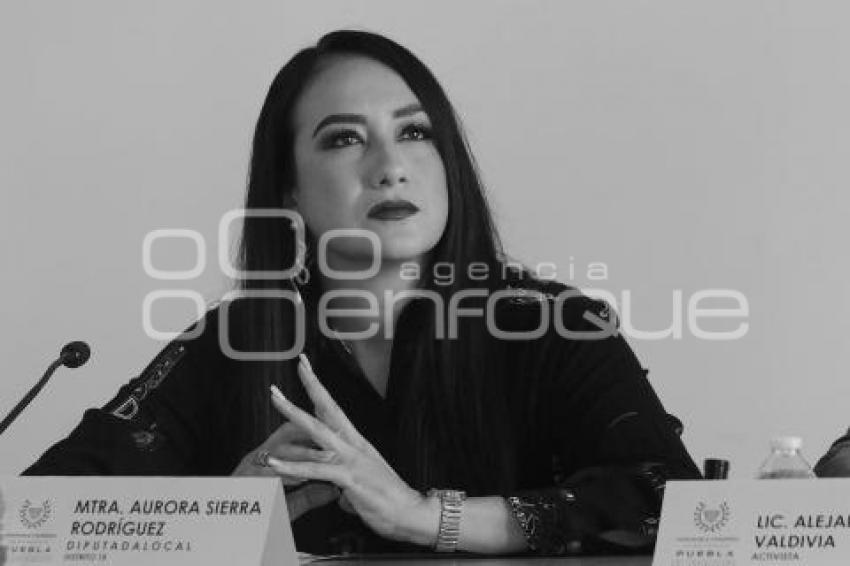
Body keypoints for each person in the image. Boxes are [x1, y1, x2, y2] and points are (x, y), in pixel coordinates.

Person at [23, 30, 701, 555]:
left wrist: (427, 517)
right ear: (289, 189)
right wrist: (223, 518)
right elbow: (37, 517)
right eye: (345, 139)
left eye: (414, 132)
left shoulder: (554, 324)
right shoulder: (232, 343)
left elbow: (674, 503)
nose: (390, 167)